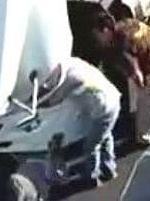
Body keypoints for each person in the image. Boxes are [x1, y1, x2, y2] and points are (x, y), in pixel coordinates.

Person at [44, 55, 123, 184]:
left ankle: (92, 177)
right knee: (106, 135)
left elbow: (53, 100)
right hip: (111, 100)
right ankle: (109, 169)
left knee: (91, 146)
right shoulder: (75, 64)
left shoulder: (69, 80)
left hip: (103, 111)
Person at [112, 15, 150, 144]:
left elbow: (136, 74)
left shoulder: (119, 42)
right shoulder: (129, 24)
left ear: (105, 30)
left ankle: (145, 137)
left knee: (147, 103)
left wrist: (141, 86)